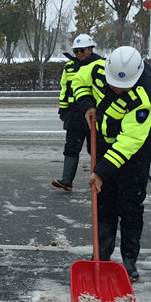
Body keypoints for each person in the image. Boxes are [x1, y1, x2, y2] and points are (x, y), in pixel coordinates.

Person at [77, 45, 151, 282]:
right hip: (104, 149)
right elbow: (79, 81)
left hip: (134, 159)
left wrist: (101, 171)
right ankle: (101, 256)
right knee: (104, 206)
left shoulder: (143, 99)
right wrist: (88, 104)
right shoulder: (97, 69)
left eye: (123, 86)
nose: (117, 89)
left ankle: (129, 261)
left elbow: (128, 142)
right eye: (114, 84)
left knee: (131, 209)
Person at [54, 34, 103, 192]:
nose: (79, 53)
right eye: (76, 51)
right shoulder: (69, 67)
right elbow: (65, 89)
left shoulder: (100, 65)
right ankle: (66, 180)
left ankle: (100, 180)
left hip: (93, 114)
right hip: (74, 115)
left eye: (82, 50)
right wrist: (63, 111)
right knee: (71, 147)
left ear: (90, 49)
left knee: (95, 149)